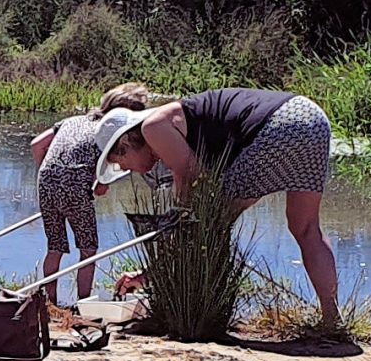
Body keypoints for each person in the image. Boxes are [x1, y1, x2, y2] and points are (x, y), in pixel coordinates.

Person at [98, 86, 342, 332]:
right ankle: (332, 320)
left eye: (121, 164)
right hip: (311, 119)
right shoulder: (170, 122)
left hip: (277, 128)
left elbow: (196, 181)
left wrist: (175, 233)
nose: (129, 171)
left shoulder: (153, 127)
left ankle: (202, 316)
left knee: (211, 223)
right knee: (305, 227)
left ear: (125, 143)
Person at [28, 84, 150, 303]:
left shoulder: (71, 121)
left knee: (54, 247)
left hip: (46, 180)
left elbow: (37, 146)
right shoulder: (110, 132)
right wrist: (95, 186)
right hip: (75, 185)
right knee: (88, 249)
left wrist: (53, 179)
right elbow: (102, 186)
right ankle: (83, 302)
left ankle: (49, 302)